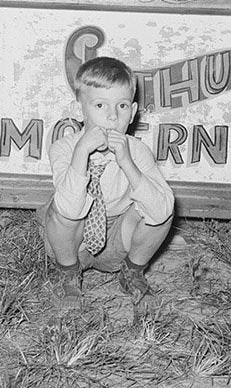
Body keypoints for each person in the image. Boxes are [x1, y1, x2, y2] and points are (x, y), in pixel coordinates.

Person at [43, 56, 174, 314]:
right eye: (100, 105)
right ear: (79, 108)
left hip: (118, 238)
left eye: (122, 106)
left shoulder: (137, 151)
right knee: (60, 210)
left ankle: (132, 272)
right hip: (73, 244)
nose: (112, 116)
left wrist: (127, 163)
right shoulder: (64, 148)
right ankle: (69, 276)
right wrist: (81, 152)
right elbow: (69, 208)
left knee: (161, 204)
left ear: (133, 112)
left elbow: (161, 210)